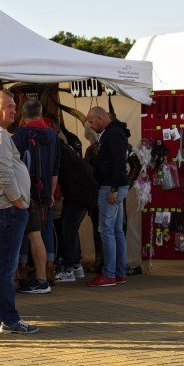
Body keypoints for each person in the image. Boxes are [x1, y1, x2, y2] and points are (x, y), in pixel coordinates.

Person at [0, 90, 39, 334]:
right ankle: (9, 320)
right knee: (5, 267)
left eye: (15, 106)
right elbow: (5, 174)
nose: (15, 110)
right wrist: (19, 202)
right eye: (9, 106)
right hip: (6, 208)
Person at [12, 99, 60, 295]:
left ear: (23, 114)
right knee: (43, 232)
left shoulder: (21, 134)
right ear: (41, 113)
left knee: (29, 234)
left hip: (26, 193)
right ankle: (46, 272)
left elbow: (14, 165)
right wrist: (51, 193)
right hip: (45, 193)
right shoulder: (53, 135)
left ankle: (31, 276)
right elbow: (56, 168)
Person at [85, 107, 129, 287]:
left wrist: (113, 188)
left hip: (111, 187)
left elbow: (119, 163)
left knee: (106, 230)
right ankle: (119, 272)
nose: (90, 125)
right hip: (113, 185)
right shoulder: (114, 133)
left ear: (102, 118)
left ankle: (109, 274)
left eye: (92, 121)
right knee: (116, 231)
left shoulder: (114, 134)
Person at [53, 132, 97, 282]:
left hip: (79, 193)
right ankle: (76, 266)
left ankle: (69, 267)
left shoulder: (56, 150)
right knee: (69, 227)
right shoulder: (66, 148)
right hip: (83, 192)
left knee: (68, 228)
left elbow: (53, 174)